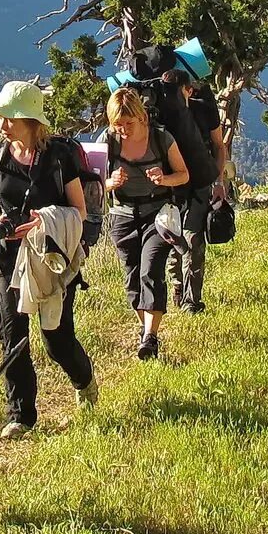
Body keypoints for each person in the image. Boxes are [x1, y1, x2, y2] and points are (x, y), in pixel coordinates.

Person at [0, 80, 98, 439]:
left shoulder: (59, 157)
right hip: (9, 259)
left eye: (10, 119)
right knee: (11, 335)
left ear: (31, 120)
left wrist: (43, 221)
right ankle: (21, 416)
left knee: (57, 339)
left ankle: (85, 381)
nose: (3, 126)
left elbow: (78, 211)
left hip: (51, 259)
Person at [103, 84, 188, 360]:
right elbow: (90, 183)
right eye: (118, 124)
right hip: (123, 216)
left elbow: (183, 175)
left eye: (127, 123)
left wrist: (163, 179)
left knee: (150, 270)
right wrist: (110, 183)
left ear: (141, 117)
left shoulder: (161, 139)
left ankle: (150, 337)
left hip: (157, 214)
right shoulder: (109, 140)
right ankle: (146, 332)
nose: (123, 130)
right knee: (132, 279)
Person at [165, 64, 229, 313]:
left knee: (193, 239)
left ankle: (191, 300)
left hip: (200, 184)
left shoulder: (204, 109)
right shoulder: (162, 114)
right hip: (171, 185)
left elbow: (218, 145)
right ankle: (178, 288)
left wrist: (219, 181)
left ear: (189, 91)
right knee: (173, 239)